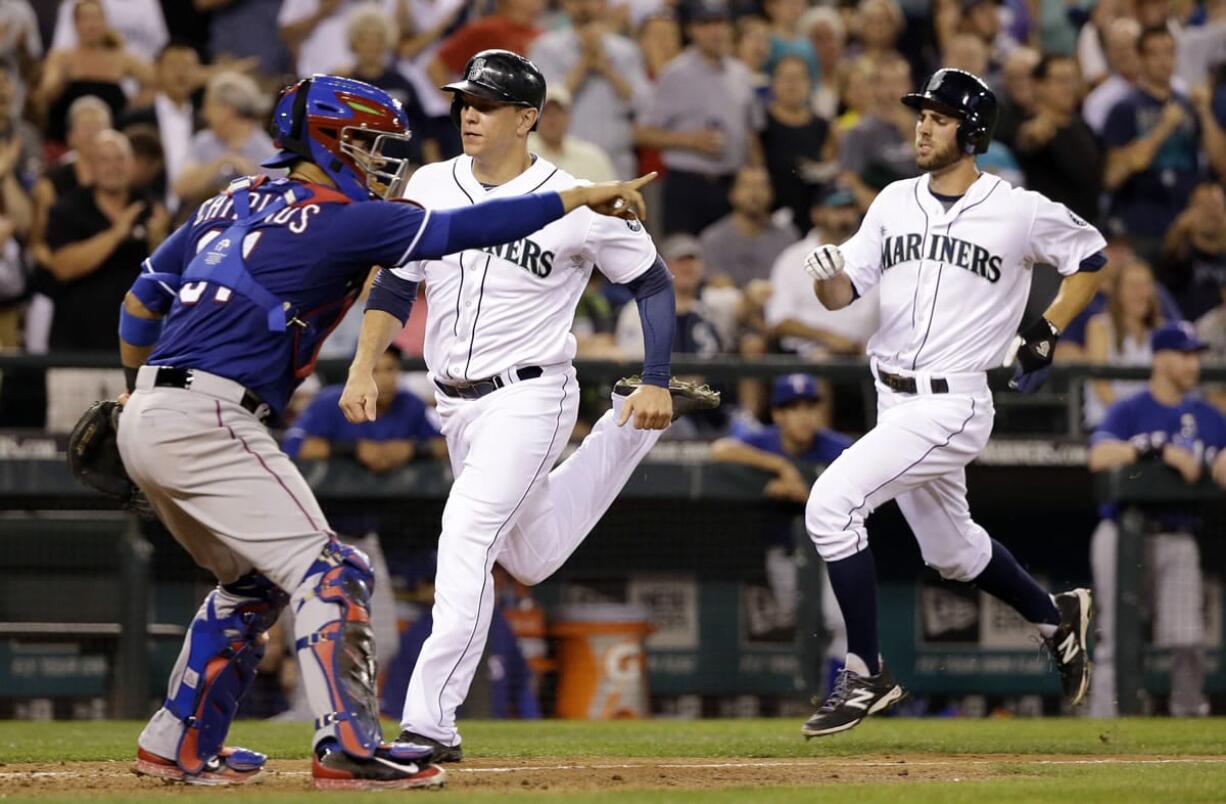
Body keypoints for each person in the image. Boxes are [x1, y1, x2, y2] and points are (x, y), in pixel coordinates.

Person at [112, 73, 656, 789]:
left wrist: (135, 395)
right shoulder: (349, 217)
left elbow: (140, 301)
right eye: (366, 144)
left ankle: (176, 740)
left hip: (146, 410)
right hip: (213, 415)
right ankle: (348, 746)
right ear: (330, 141)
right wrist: (579, 195)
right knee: (335, 573)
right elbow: (473, 227)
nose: (378, 160)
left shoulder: (229, 198)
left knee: (250, 585)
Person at [336, 49, 716, 760]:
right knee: (531, 556)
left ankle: (428, 725)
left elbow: (655, 282)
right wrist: (364, 364)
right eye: (464, 101)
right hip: (454, 404)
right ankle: (625, 431)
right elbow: (394, 284)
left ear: (528, 117)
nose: (469, 113)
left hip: (530, 395)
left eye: (486, 103)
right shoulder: (432, 181)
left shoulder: (579, 198)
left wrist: (660, 371)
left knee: (467, 539)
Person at [799, 68, 1106, 736]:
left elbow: (1090, 256)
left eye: (937, 117)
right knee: (953, 552)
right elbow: (845, 293)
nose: (922, 125)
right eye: (921, 115)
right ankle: (1056, 618)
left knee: (830, 505)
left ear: (971, 131)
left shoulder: (1018, 208)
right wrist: (826, 279)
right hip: (892, 397)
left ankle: (864, 672)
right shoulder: (892, 202)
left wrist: (1048, 331)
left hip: (953, 403)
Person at [1087, 322, 1226, 718]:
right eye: (1185, 355)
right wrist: (1155, 447)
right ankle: (1107, 724)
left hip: (1177, 535)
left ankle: (1187, 717)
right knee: (1115, 638)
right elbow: (1099, 457)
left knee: (1188, 640)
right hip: (1121, 532)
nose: (1193, 364)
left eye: (1196, 355)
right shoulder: (1130, 409)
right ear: (1161, 358)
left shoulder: (1209, 417)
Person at [44, 129, 168, 431]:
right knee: (67, 445)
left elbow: (169, 281)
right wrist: (117, 233)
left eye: (121, 159)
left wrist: (157, 240)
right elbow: (63, 266)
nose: (113, 167)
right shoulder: (68, 208)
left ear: (132, 164)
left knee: (134, 449)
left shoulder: (152, 208)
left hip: (133, 359)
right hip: (74, 354)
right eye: (105, 160)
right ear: (90, 166)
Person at [635, 0, 764, 235]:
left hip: (732, 184)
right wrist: (690, 141)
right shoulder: (675, 74)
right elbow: (643, 133)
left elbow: (750, 134)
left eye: (720, 23)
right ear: (691, 30)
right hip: (686, 185)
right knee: (682, 258)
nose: (715, 31)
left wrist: (758, 176)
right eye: (705, 24)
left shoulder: (740, 73)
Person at [1103, 26, 1225, 264]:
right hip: (1141, 225)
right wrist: (1163, 129)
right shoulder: (1125, 108)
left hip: (1185, 222)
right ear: (1140, 58)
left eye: (1169, 53)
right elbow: (1113, 176)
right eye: (1154, 54)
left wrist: (1205, 112)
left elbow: (1220, 163)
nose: (1163, 61)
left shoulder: (1190, 104)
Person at [530, 0, 648, 179]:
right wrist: (585, 61)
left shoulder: (626, 50)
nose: (583, 5)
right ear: (565, 5)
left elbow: (642, 104)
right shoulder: (546, 48)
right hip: (561, 159)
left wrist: (606, 67)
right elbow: (543, 101)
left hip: (616, 160)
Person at [766, 187, 877, 359]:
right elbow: (779, 320)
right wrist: (829, 338)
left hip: (864, 356)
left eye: (850, 208)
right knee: (820, 359)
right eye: (837, 208)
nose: (845, 215)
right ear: (817, 214)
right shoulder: (793, 258)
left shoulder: (870, 254)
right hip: (809, 355)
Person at [36, 0, 153, 146]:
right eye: (86, 19)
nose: (91, 25)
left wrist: (134, 106)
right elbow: (45, 95)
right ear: (75, 24)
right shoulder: (61, 58)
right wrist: (61, 77)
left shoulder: (121, 58)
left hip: (110, 146)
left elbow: (156, 82)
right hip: (64, 143)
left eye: (96, 18)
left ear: (105, 22)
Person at [1014, 55, 1102, 226]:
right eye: (1062, 80)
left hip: (1088, 229)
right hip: (1047, 232)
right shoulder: (1029, 125)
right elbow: (1028, 138)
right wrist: (1033, 133)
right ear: (1037, 85)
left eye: (1073, 80)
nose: (1069, 87)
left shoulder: (1082, 126)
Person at [173, 72, 277, 210]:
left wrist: (251, 177)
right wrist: (221, 163)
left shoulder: (268, 153)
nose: (204, 112)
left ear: (227, 109)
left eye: (209, 105)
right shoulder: (204, 142)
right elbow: (181, 188)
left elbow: (277, 202)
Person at [1083, 259, 1163, 429]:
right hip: (1107, 421)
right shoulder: (1100, 326)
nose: (1140, 293)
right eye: (1133, 286)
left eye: (1145, 285)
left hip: (1151, 424)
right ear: (1118, 292)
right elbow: (1101, 385)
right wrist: (1130, 419)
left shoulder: (1160, 330)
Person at [699, 165, 798, 288]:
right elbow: (717, 288)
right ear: (732, 194)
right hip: (730, 304)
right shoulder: (713, 239)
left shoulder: (787, 237)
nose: (754, 193)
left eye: (762, 186)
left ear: (772, 193)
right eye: (747, 186)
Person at [761, 55, 828, 231]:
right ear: (774, 83)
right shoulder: (761, 124)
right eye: (786, 78)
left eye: (799, 78)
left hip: (813, 218)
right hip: (772, 217)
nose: (792, 84)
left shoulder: (823, 126)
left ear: (809, 84)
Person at [526, 87, 618, 182]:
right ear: (534, 117)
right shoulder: (521, 154)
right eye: (546, 112)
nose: (552, 119)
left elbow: (612, 192)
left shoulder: (593, 158)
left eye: (558, 113)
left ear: (568, 117)